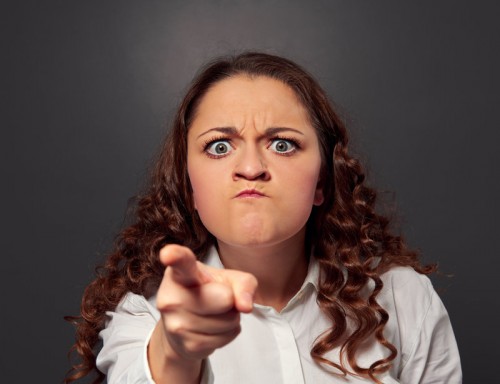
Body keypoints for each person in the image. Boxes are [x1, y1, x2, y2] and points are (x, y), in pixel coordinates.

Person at [65, 52, 461, 384]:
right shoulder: (143, 312)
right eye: (219, 147)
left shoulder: (403, 297)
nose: (251, 168)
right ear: (189, 188)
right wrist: (174, 347)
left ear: (322, 181)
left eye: (283, 144)